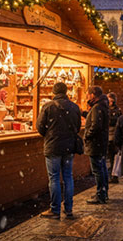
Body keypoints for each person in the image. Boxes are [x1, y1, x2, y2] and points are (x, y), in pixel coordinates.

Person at [37, 82, 81, 219]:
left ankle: (55, 209)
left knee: (54, 178)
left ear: (54, 92)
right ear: (66, 91)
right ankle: (68, 209)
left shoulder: (48, 106)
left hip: (53, 146)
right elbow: (78, 127)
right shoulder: (74, 107)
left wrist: (50, 134)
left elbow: (40, 127)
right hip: (69, 147)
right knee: (68, 177)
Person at [84, 86, 110, 204]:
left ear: (93, 95)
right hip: (101, 142)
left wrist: (87, 135)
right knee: (102, 167)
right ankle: (103, 192)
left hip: (96, 143)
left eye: (88, 94)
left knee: (97, 169)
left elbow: (96, 125)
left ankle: (101, 194)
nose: (87, 96)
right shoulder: (102, 106)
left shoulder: (97, 107)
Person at [107, 92, 122, 184]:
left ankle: (113, 175)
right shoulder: (117, 111)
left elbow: (112, 122)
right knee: (112, 157)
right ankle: (113, 174)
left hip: (111, 137)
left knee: (112, 157)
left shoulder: (114, 112)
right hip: (112, 137)